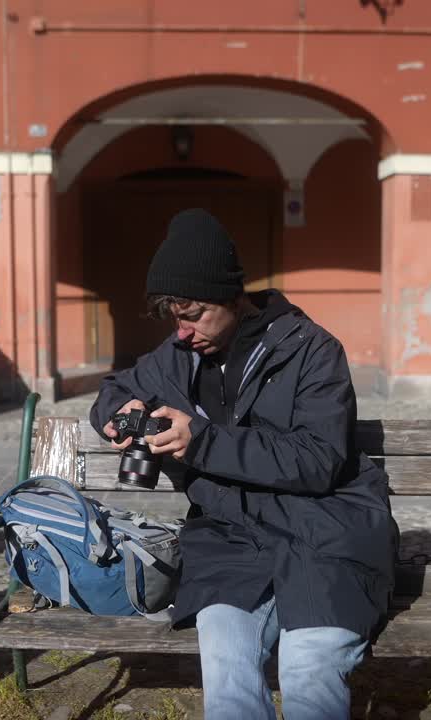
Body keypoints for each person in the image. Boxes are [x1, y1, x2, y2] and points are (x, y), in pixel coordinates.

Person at [89, 208, 398, 720]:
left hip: (326, 534)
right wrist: (119, 412)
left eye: (193, 315)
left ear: (233, 296)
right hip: (231, 541)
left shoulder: (310, 350)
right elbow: (115, 388)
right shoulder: (177, 356)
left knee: (308, 666)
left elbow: (319, 460)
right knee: (227, 670)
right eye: (174, 317)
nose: (183, 332)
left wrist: (202, 443)